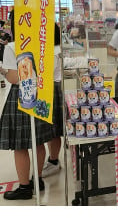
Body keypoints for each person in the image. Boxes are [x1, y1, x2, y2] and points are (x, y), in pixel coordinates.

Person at [0, 10, 53, 200]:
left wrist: (2, 69)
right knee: (38, 141)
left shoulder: (12, 47)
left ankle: (24, 187)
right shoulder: (43, 45)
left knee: (20, 145)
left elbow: (15, 78)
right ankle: (37, 179)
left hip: (21, 97)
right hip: (41, 95)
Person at [41, 23, 64, 177]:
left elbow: (46, 74)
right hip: (50, 89)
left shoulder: (53, 52)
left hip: (50, 90)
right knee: (51, 129)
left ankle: (54, 160)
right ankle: (52, 159)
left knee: (53, 129)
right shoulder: (56, 50)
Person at [0, 20, 12, 88]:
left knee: (0, 67)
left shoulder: (3, 33)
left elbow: (9, 38)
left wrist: (6, 41)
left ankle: (2, 80)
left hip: (1, 53)